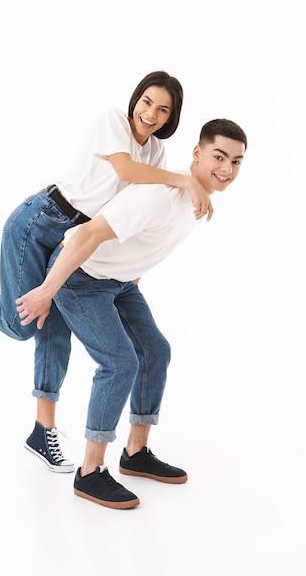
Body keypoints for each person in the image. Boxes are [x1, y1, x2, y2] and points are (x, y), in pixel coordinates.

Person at [0, 70, 213, 475]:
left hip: (74, 241)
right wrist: (185, 179)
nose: (151, 114)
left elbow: (132, 211)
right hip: (40, 223)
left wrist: (131, 271)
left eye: (163, 110)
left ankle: (43, 431)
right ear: (135, 99)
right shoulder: (113, 121)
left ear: (171, 117)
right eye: (147, 102)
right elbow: (126, 172)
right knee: (22, 324)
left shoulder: (156, 153)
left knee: (54, 331)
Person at [15, 118, 247, 509]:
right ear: (197, 153)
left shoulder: (196, 199)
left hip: (116, 281)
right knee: (119, 363)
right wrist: (45, 292)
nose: (226, 169)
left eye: (237, 162)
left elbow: (145, 243)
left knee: (155, 351)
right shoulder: (160, 194)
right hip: (79, 276)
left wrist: (130, 282)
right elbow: (86, 235)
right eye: (219, 157)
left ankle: (136, 454)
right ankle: (90, 473)